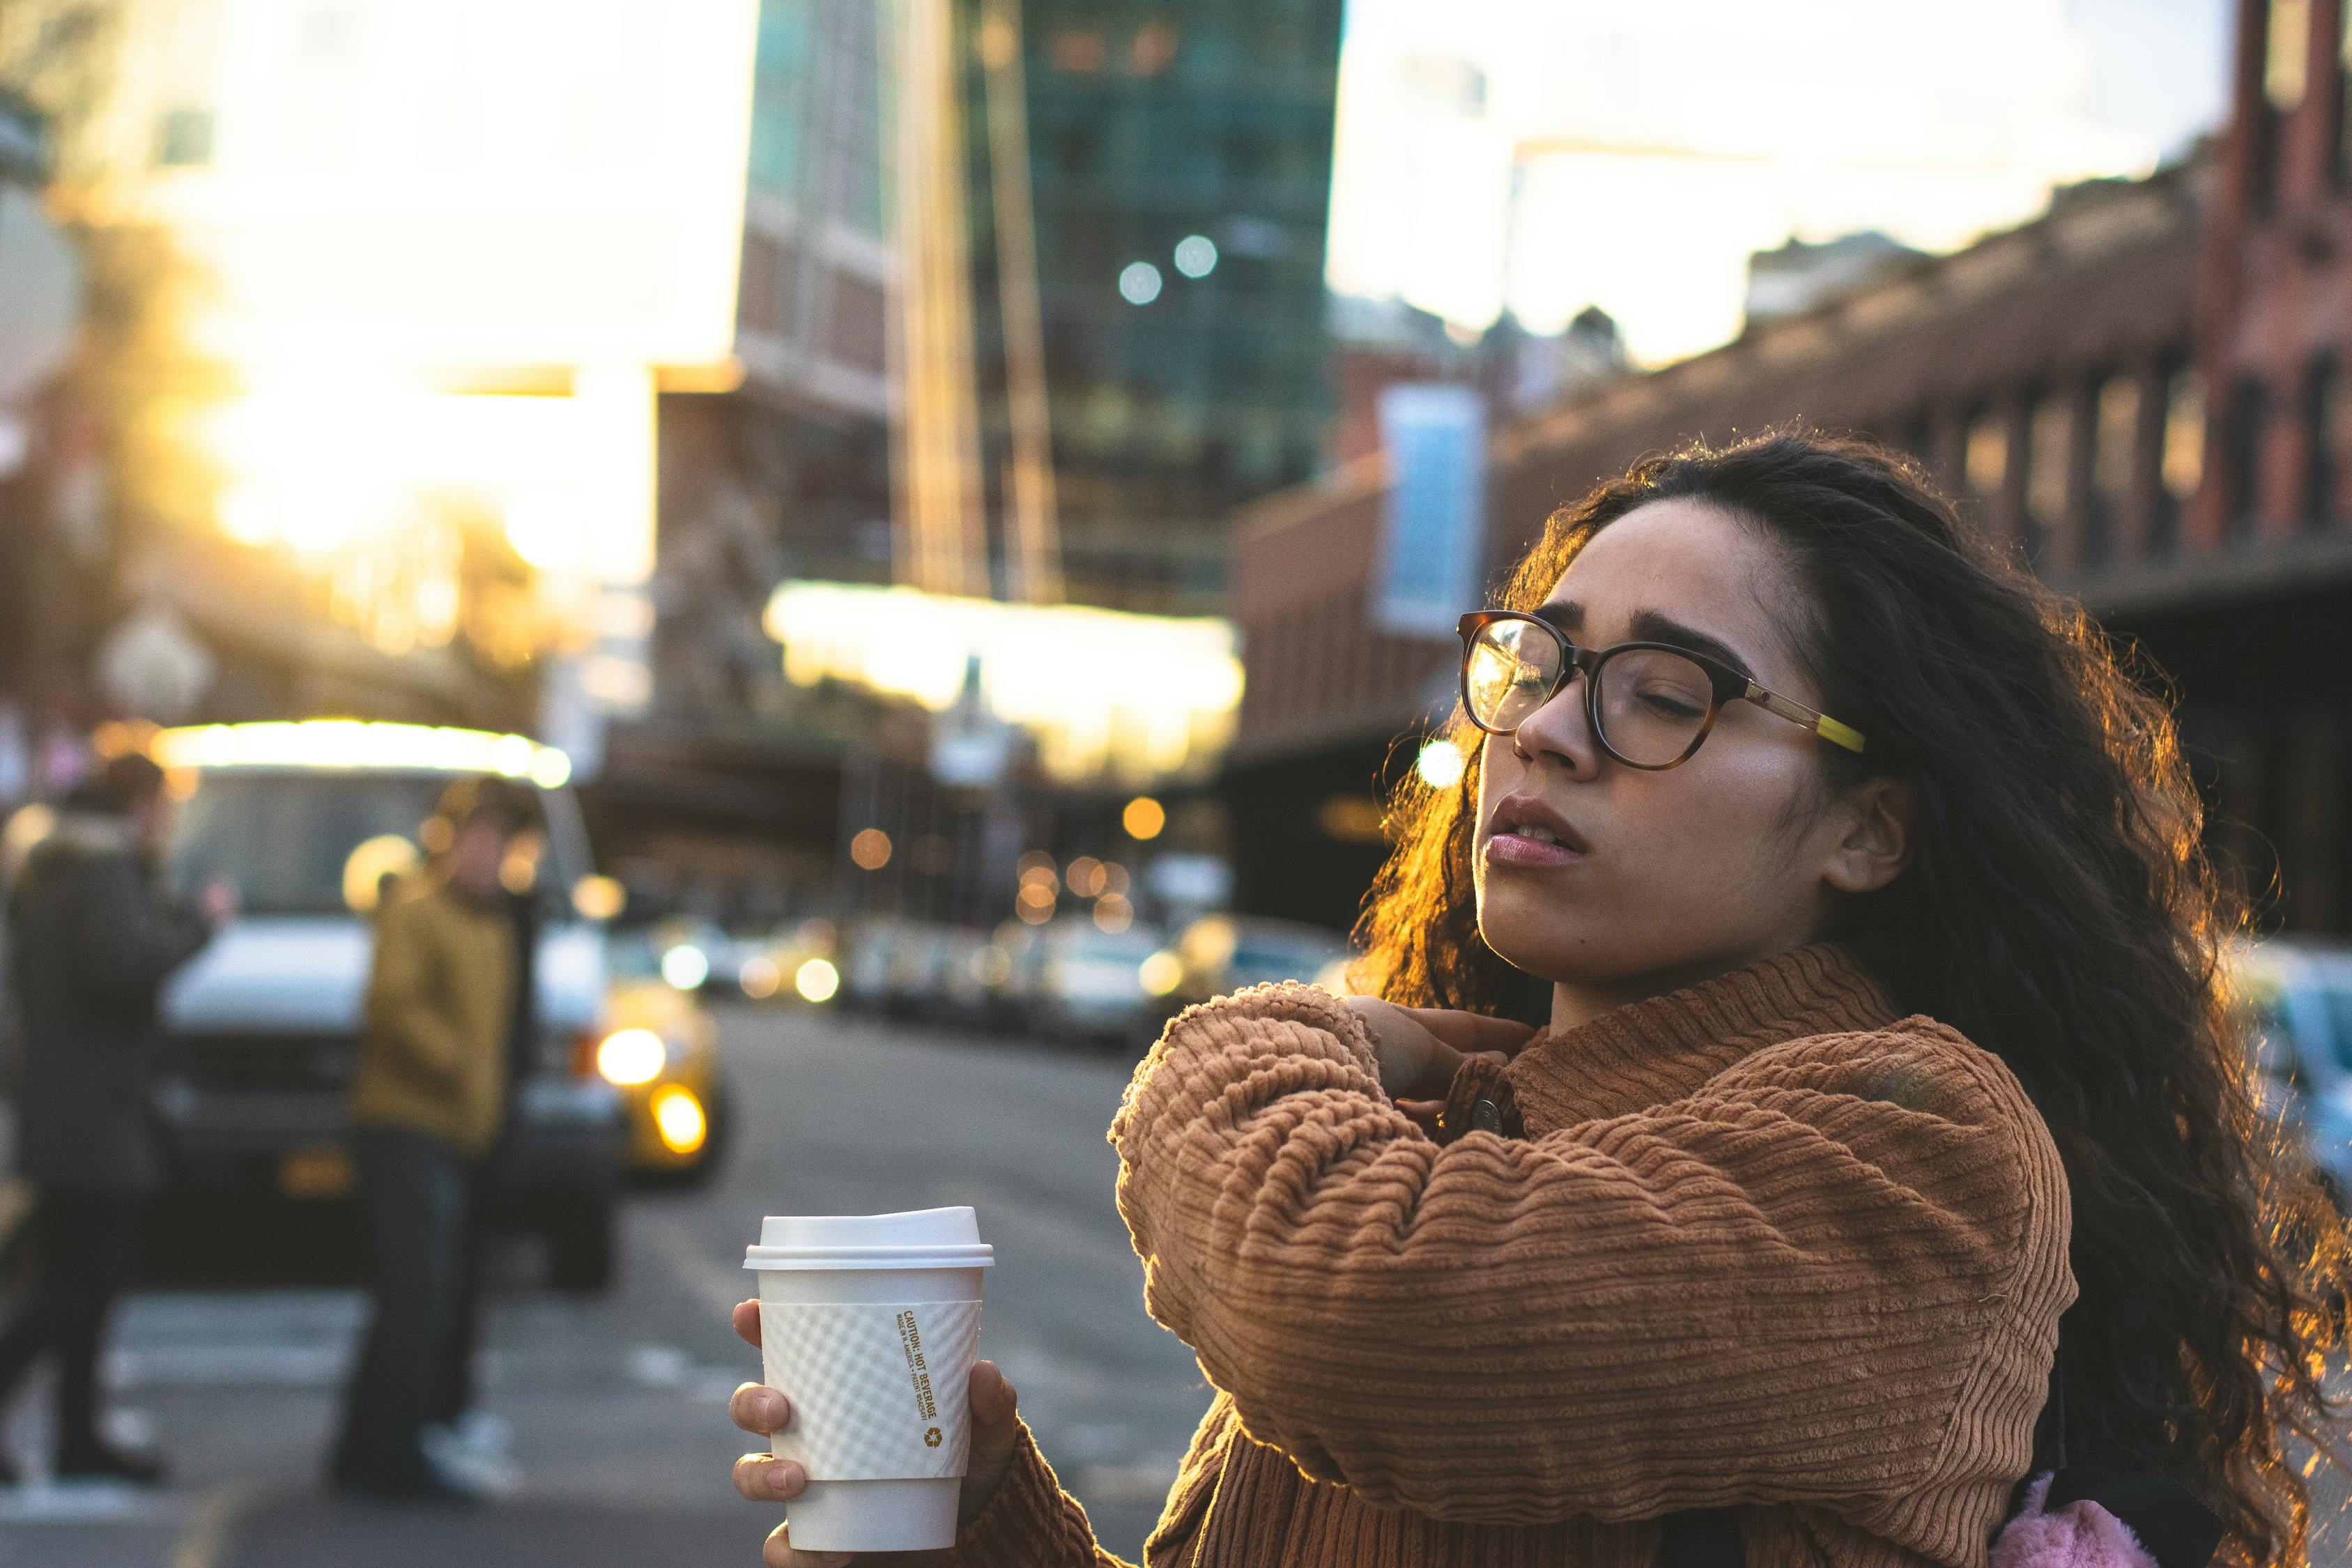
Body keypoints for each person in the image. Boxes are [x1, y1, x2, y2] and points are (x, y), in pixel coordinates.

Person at [727, 431, 2351, 1568]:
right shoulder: (1444, 1126)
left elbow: (1343, 1305)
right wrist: (967, 1518)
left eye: (1662, 695)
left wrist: (1269, 1029)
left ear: (1872, 826)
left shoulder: (1920, 1151)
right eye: (1540, 663)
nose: (1551, 731)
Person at [0, 751, 226, 1484]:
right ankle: (74, 1433)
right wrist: (201, 925)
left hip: (73, 1106)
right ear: (139, 807)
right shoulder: (101, 875)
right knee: (79, 1285)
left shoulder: (64, 868)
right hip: (94, 1113)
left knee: (78, 1283)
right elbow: (124, 969)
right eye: (163, 807)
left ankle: (79, 1436)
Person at [330, 774, 535, 1502]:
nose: (486, 856)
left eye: (498, 845)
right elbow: (393, 1006)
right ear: (447, 843)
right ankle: (391, 1450)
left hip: (457, 1133)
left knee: (421, 1293)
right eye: (476, 841)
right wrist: (458, 1067)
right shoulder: (414, 910)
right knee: (415, 1292)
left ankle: (367, 1447)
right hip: (404, 1124)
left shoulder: (495, 924)